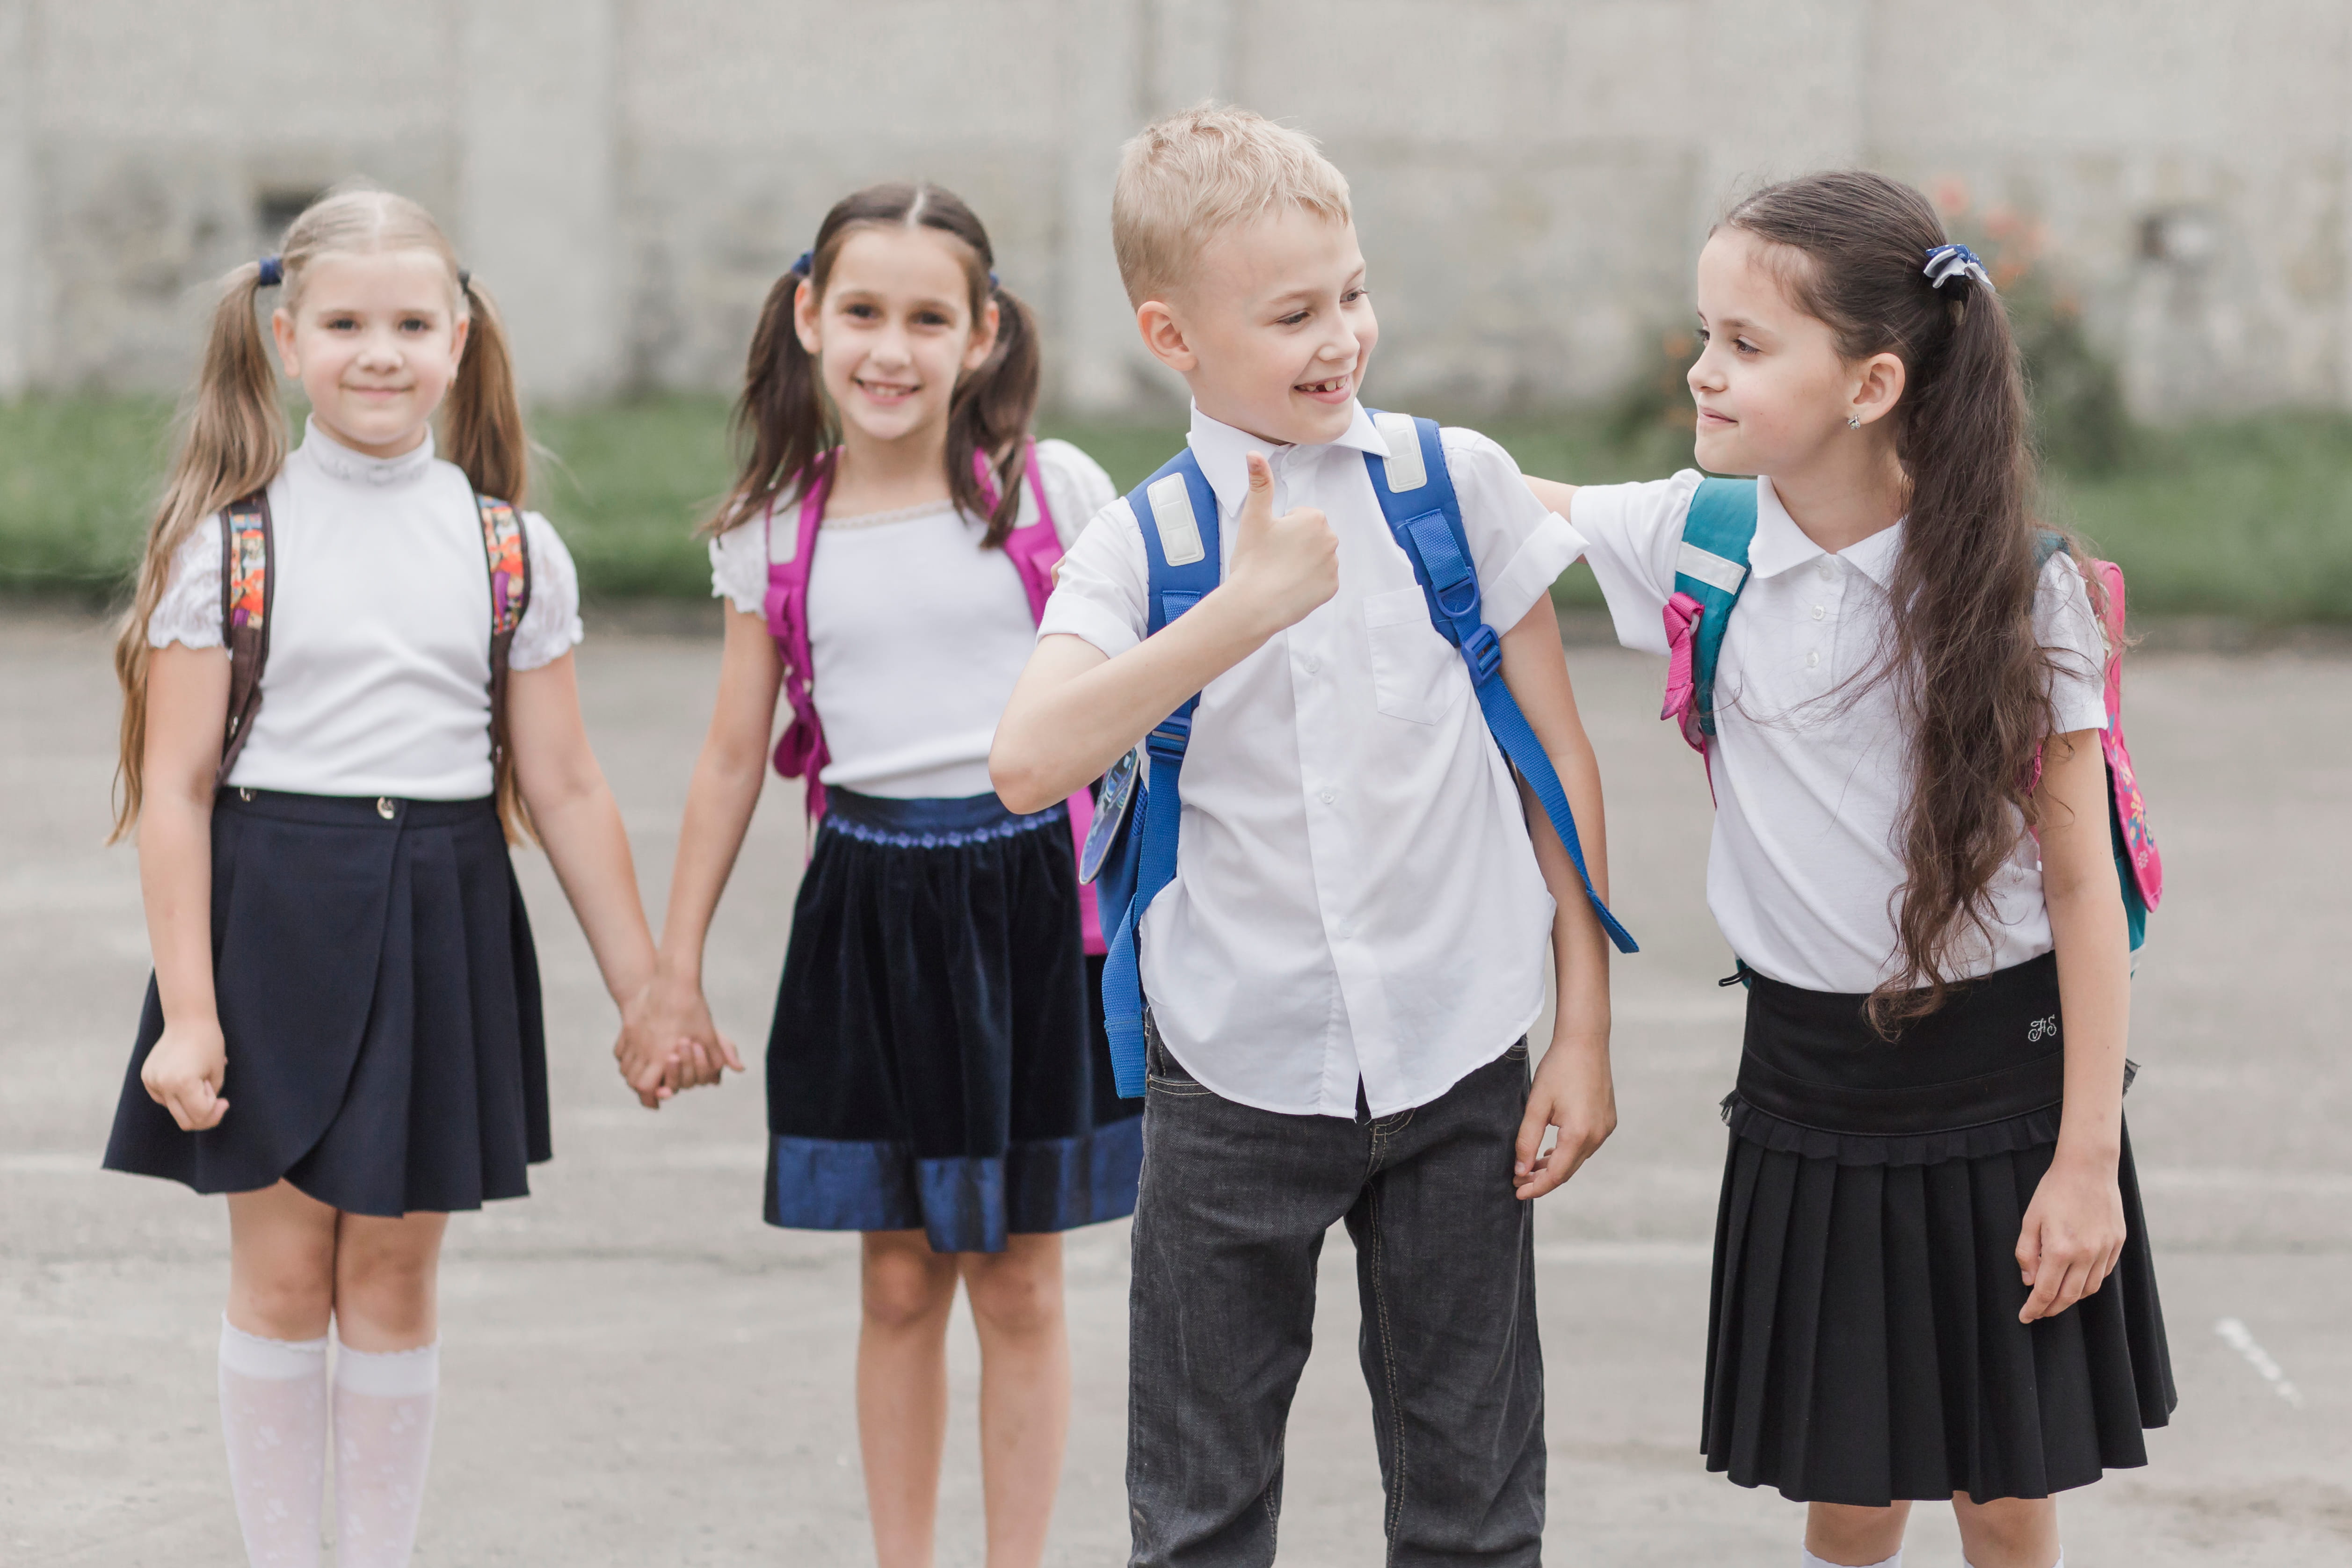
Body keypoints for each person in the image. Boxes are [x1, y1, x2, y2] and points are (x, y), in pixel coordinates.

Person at [990, 104, 1618, 1567]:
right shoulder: (1140, 545)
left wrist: (1580, 1028)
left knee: (1474, 1510)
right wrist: (1238, 615)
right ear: (1173, 333)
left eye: (1349, 294)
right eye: (1291, 314)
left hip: (1460, 1056)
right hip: (1233, 1079)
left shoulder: (1452, 484)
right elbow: (1028, 763)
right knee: (1200, 1515)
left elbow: (1558, 767)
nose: (1339, 336)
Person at [1525, 170, 2175, 1568]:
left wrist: (2085, 1163)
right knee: (1847, 1479)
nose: (1701, 373)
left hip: (2004, 1084)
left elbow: (2080, 891)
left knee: (2001, 1491)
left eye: (1746, 348)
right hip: (1806, 1082)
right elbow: (1499, 498)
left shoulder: (2018, 590)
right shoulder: (1696, 538)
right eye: (1702, 334)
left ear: (1873, 379)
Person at [101, 189, 679, 1567]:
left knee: (398, 1269)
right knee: (286, 1270)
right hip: (270, 920)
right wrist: (190, 1012)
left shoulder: (508, 549)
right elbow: (176, 793)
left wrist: (647, 990)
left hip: (443, 915)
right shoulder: (229, 545)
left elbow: (567, 785)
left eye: (412, 324)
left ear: (461, 340)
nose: (381, 353)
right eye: (348, 325)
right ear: (287, 341)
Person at [622, 182, 1138, 1568]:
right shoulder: (772, 526)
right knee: (900, 1278)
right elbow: (734, 759)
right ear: (807, 318)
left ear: (983, 335)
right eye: (861, 313)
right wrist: (670, 972)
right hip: (867, 910)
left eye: (927, 318)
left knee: (1022, 1281)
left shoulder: (1051, 492)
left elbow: (1138, 704)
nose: (889, 350)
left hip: (1038, 905)